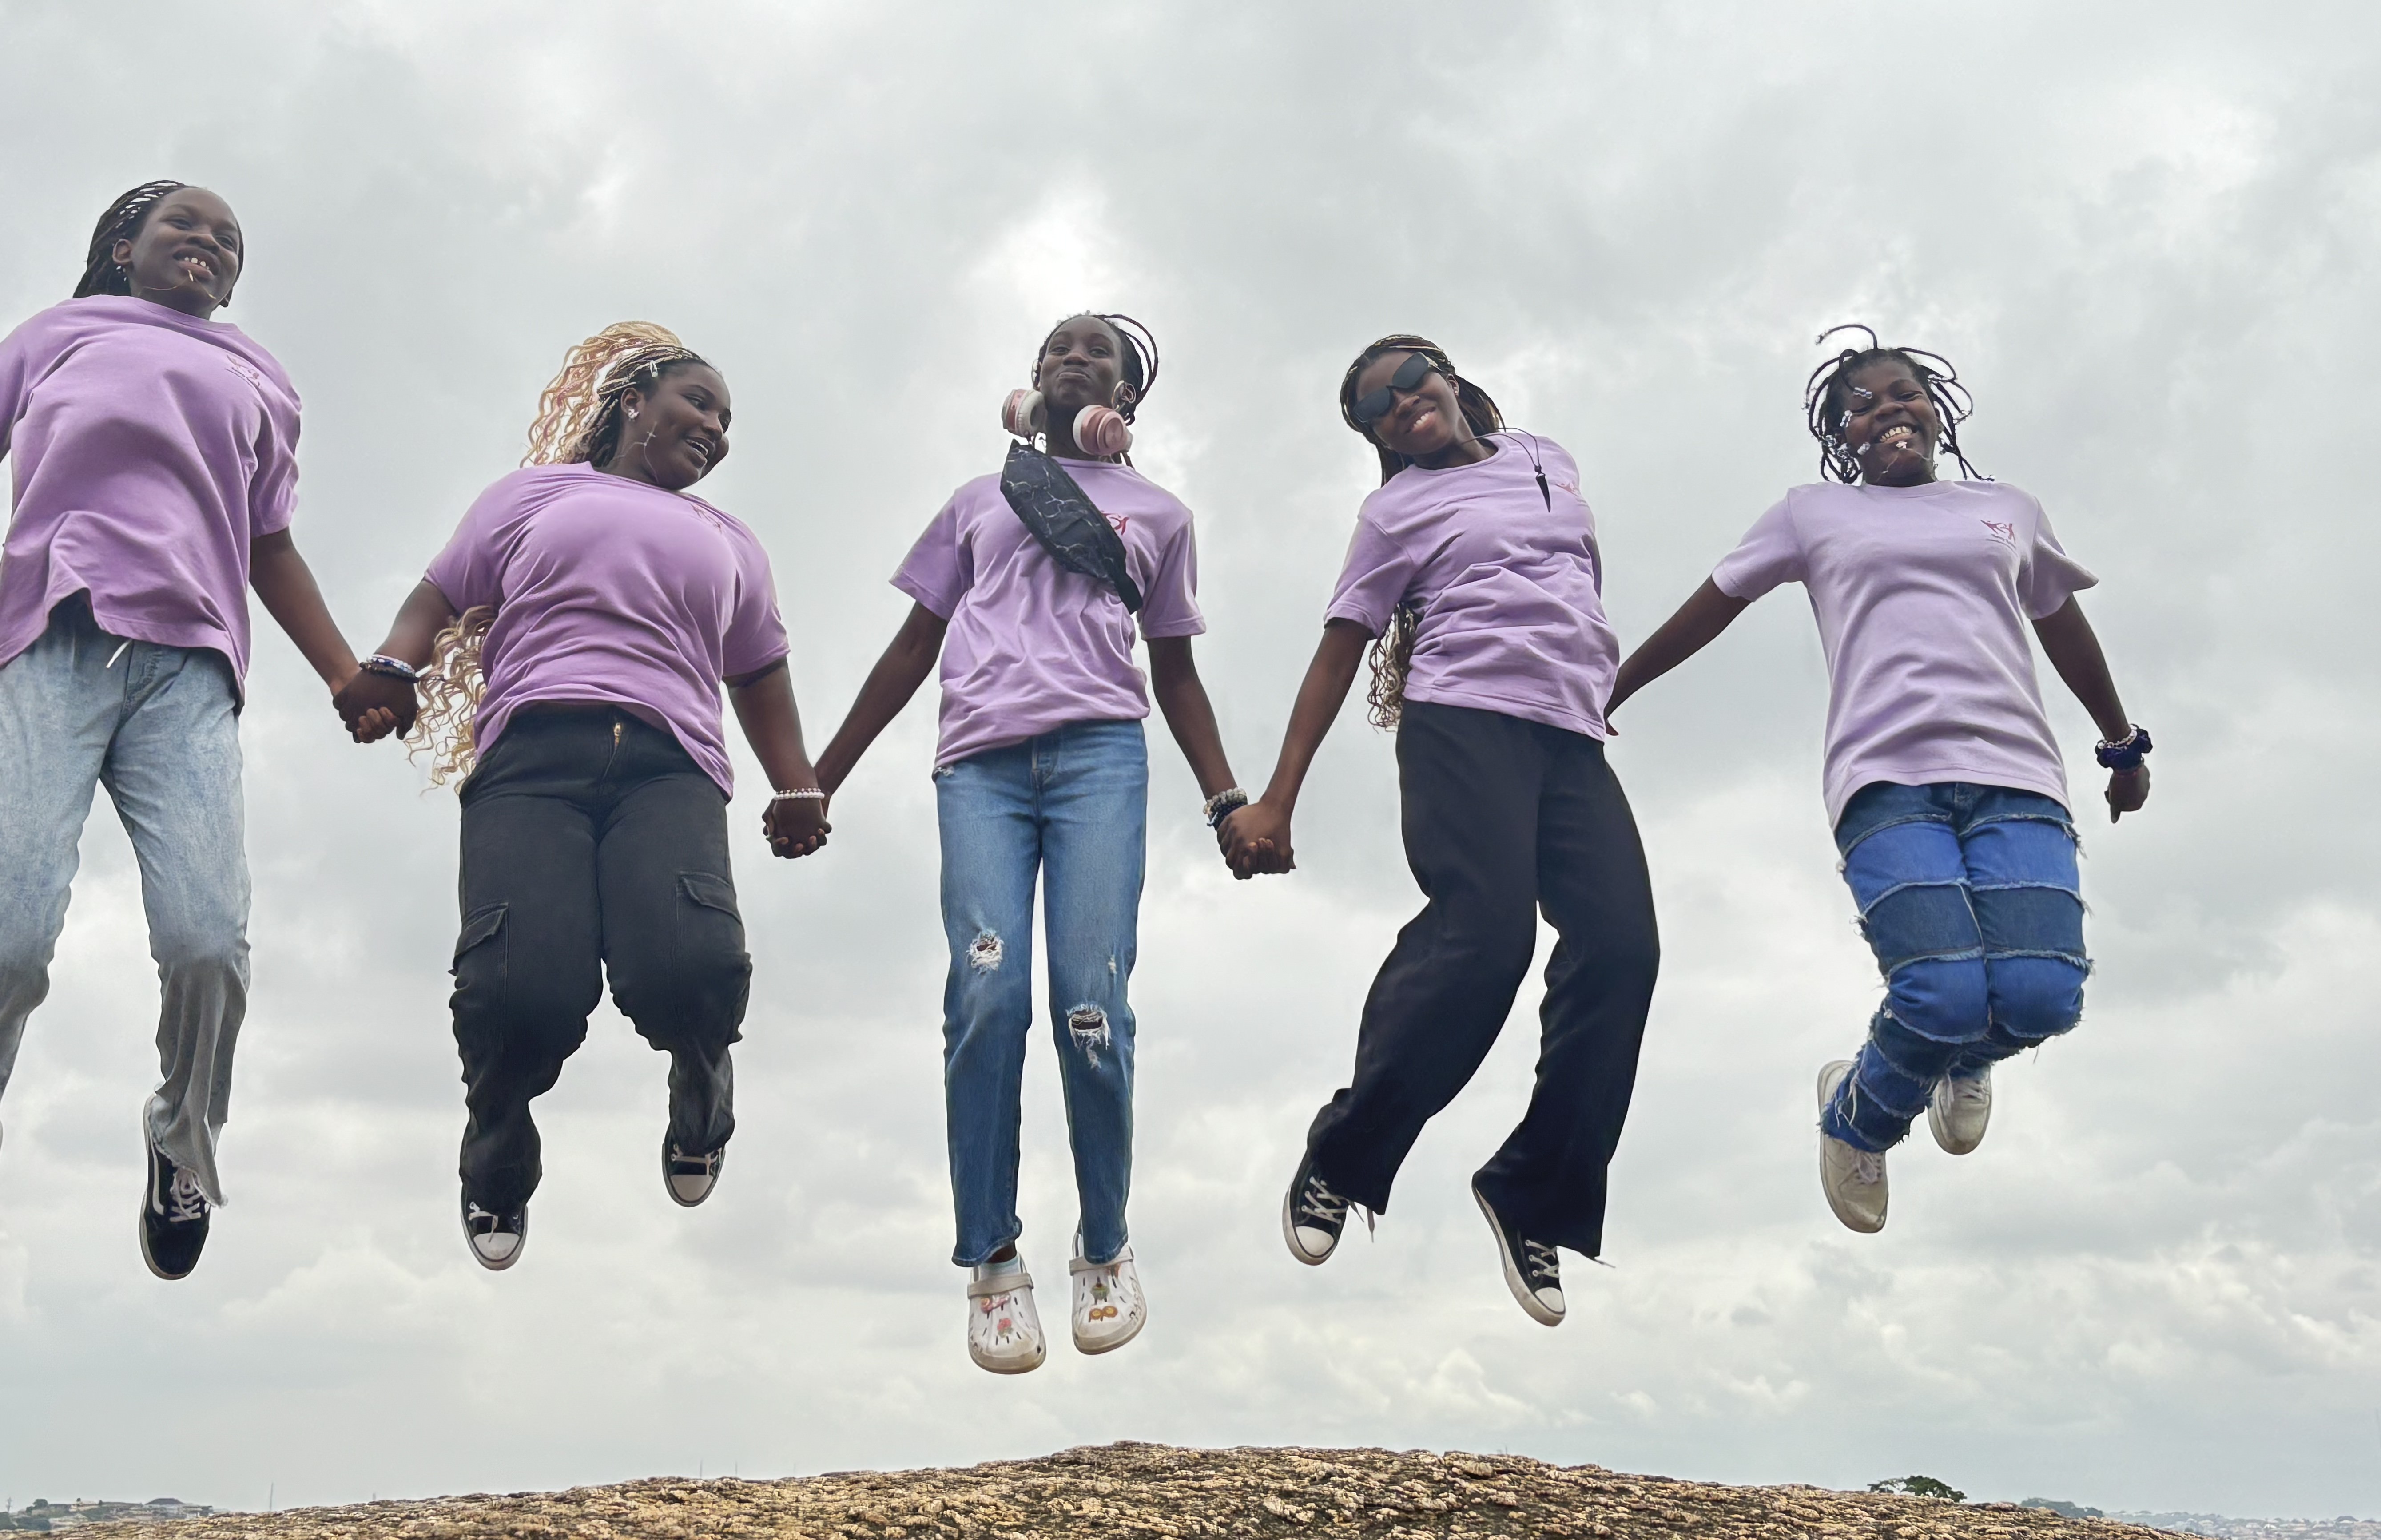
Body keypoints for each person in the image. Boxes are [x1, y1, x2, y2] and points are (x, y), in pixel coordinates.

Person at [0, 181, 366, 1308]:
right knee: (3, 941)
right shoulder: (59, 335)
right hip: (50, 647)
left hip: (188, 676)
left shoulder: (260, 377)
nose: (210, 244)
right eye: (183, 228)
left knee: (206, 940)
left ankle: (183, 1147)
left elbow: (271, 548)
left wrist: (345, 674)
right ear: (121, 247)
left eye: (231, 241)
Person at [1608, 327, 2149, 1234]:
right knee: (1939, 995)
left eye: (1905, 393)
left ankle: (1959, 1060)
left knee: (2042, 997)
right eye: (1863, 405)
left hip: (2017, 777)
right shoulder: (1811, 515)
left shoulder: (2007, 509)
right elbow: (1715, 605)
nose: (1889, 408)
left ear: (1934, 411)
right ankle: (1858, 1117)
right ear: (1841, 437)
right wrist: (1612, 688)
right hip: (1886, 779)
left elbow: (2061, 623)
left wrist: (2122, 746)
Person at [338, 323, 828, 1274]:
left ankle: (701, 1084)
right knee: (519, 991)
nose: (716, 428)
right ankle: (497, 1153)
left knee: (690, 966)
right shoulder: (531, 497)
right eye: (698, 401)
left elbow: (759, 672)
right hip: (531, 763)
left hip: (670, 767)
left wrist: (797, 783)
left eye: (727, 420)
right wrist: (394, 666)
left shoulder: (732, 540)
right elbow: (438, 595)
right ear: (632, 401)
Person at [811, 313, 1243, 1375]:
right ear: (1032, 380)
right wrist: (819, 776)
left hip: (1101, 757)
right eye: (1059, 345)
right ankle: (992, 1257)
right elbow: (915, 645)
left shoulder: (1161, 515)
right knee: (986, 996)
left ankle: (1105, 1242)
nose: (1074, 355)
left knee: (1090, 1007)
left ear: (1124, 402)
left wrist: (1229, 797)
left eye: (1100, 351)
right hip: (982, 768)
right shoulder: (977, 500)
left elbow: (1175, 672)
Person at [1220, 334, 1658, 1330]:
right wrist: (1279, 797)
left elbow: (1572, 581)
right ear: (1377, 438)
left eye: (1410, 379)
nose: (1399, 402)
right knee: (1486, 937)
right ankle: (1344, 1153)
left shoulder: (1548, 456)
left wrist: (1585, 673)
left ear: (1451, 378)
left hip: (1570, 738)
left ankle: (1533, 1190)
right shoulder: (1393, 513)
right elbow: (1340, 651)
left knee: (1625, 951)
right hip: (1461, 717)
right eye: (1375, 406)